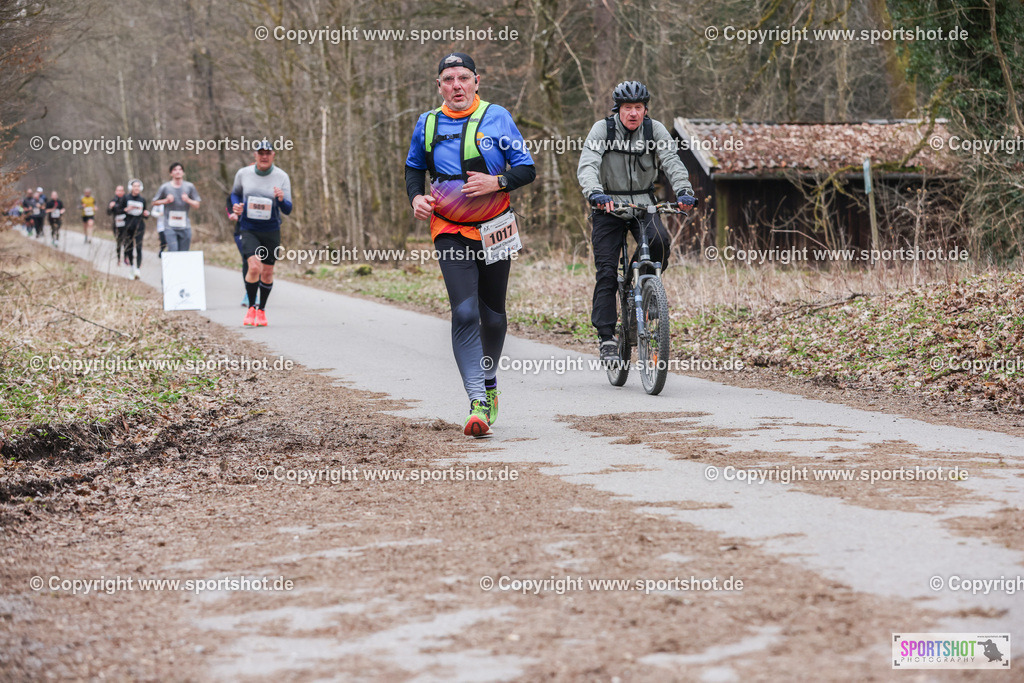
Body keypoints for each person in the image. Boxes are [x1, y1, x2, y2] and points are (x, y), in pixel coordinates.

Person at [405, 52, 536, 437]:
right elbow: (414, 167)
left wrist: (496, 183)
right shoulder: (427, 123)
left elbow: (526, 169)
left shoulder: (498, 117)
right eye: (449, 79)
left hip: (496, 228)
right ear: (439, 85)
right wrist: (416, 198)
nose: (457, 85)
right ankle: (477, 401)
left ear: (477, 81)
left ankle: (489, 378)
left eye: (464, 77)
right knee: (464, 314)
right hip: (449, 228)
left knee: (492, 317)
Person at [577, 80, 695, 363]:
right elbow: (588, 164)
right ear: (618, 109)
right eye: (628, 107)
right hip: (608, 205)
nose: (633, 113)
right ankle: (606, 337)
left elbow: (672, 160)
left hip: (644, 203)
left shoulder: (654, 130)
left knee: (660, 243)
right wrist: (594, 192)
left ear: (645, 109)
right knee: (606, 270)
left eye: (638, 107)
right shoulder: (602, 130)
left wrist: (684, 190)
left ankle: (643, 285)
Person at [230, 140, 292, 327]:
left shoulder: (281, 176)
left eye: (268, 153)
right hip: (249, 228)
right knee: (254, 267)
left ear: (273, 155)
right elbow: (234, 194)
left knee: (267, 272)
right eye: (260, 153)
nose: (264, 156)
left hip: (271, 230)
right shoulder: (243, 173)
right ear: (255, 155)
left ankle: (262, 310)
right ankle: (251, 307)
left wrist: (281, 199)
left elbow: (288, 209)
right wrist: (237, 205)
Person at [153, 162, 201, 251]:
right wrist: (166, 201)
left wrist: (187, 200)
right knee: (173, 251)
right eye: (175, 170)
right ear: (171, 173)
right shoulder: (165, 187)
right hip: (169, 226)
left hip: (185, 225)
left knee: (183, 253)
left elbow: (197, 205)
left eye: (180, 169)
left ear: (183, 172)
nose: (178, 172)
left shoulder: (190, 186)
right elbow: (154, 202)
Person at [115, 179, 149, 279]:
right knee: (129, 247)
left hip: (139, 226)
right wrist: (126, 209)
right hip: (128, 226)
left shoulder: (142, 200)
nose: (136, 188)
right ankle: (132, 268)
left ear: (141, 188)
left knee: (139, 247)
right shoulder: (126, 198)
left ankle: (138, 269)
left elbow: (145, 214)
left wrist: (146, 214)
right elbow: (118, 210)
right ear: (131, 187)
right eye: (135, 186)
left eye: (138, 186)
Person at [226, 194, 250, 306]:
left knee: (261, 263)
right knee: (247, 260)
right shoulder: (234, 196)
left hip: (264, 232)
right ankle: (250, 293)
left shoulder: (261, 190)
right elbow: (230, 212)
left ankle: (256, 290)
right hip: (241, 231)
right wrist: (233, 215)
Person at [107, 185, 127, 265]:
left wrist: (125, 210)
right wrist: (110, 207)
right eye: (118, 190)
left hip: (125, 224)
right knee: (118, 242)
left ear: (123, 191)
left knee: (126, 241)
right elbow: (108, 213)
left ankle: (126, 258)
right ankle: (119, 259)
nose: (119, 192)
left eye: (121, 190)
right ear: (116, 191)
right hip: (116, 225)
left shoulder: (126, 200)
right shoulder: (113, 200)